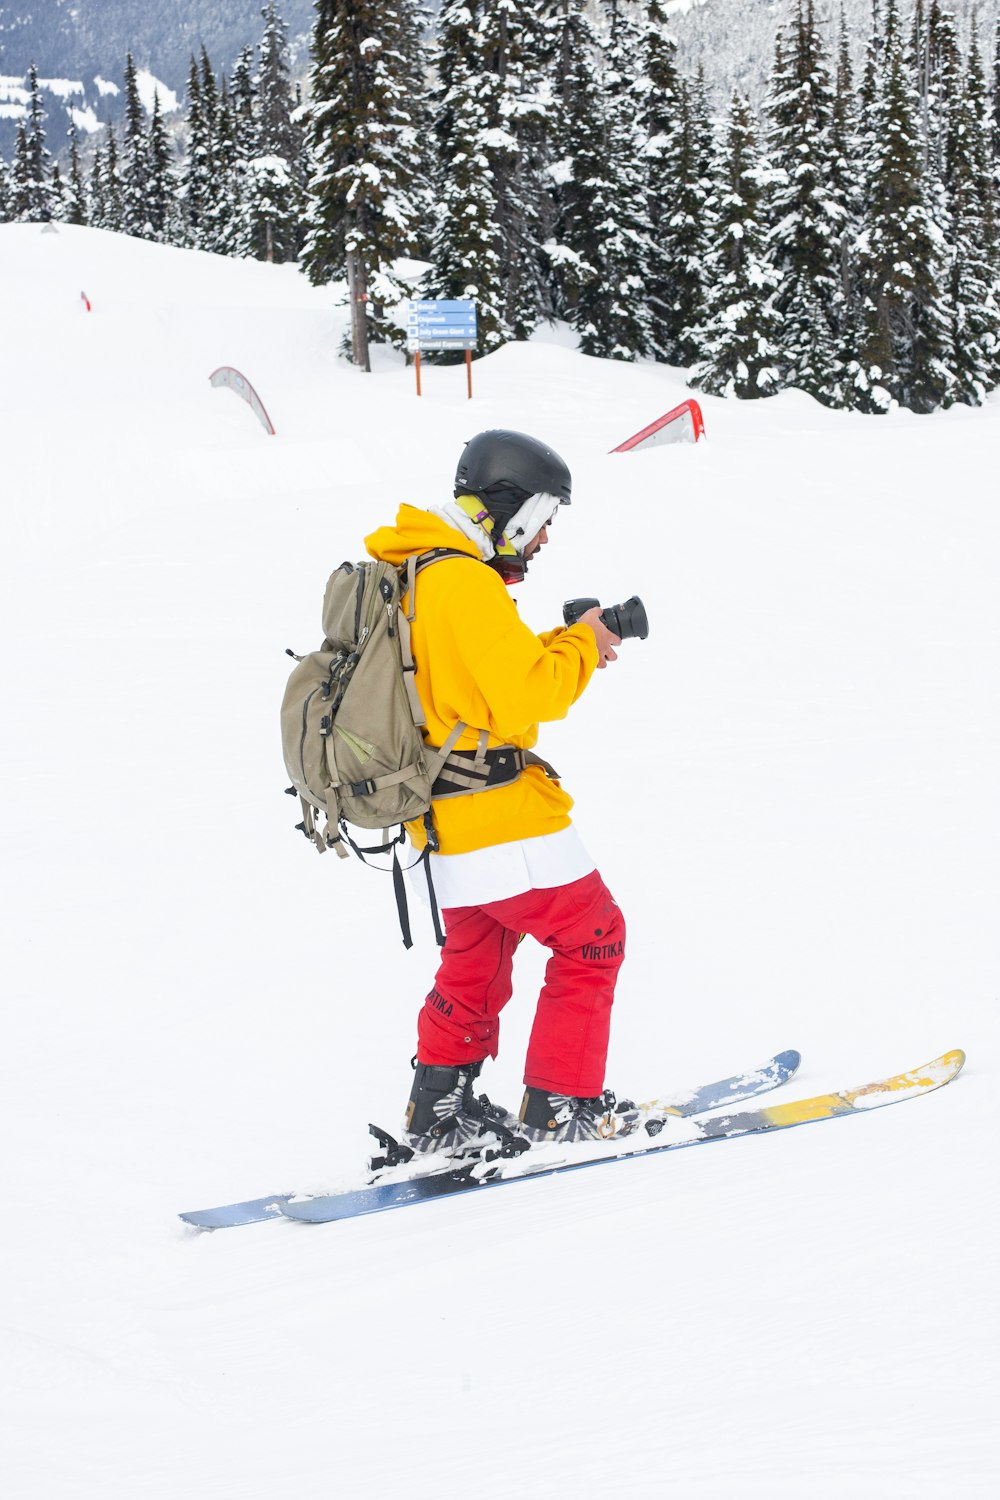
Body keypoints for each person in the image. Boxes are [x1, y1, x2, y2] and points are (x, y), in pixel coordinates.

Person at [364, 429, 634, 1155]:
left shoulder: (417, 569)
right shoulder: (463, 581)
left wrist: (571, 637)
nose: (545, 536)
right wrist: (579, 647)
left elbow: (473, 684)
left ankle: (438, 1110)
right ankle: (564, 1105)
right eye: (545, 517)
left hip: (443, 822)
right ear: (513, 510)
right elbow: (527, 696)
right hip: (500, 817)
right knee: (593, 938)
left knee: (477, 956)